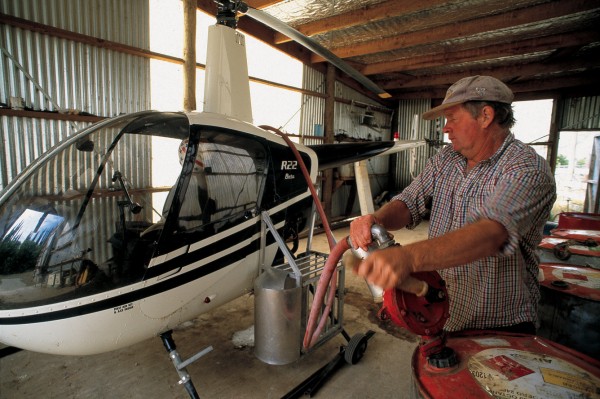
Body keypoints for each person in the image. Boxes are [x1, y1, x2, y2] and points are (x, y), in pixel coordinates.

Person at [350, 75, 556, 334]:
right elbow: (408, 201)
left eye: (452, 119)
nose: (445, 128)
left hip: (498, 323)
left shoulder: (526, 168)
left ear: (485, 116)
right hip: (441, 310)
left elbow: (490, 234)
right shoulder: (447, 158)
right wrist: (376, 220)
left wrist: (407, 258)